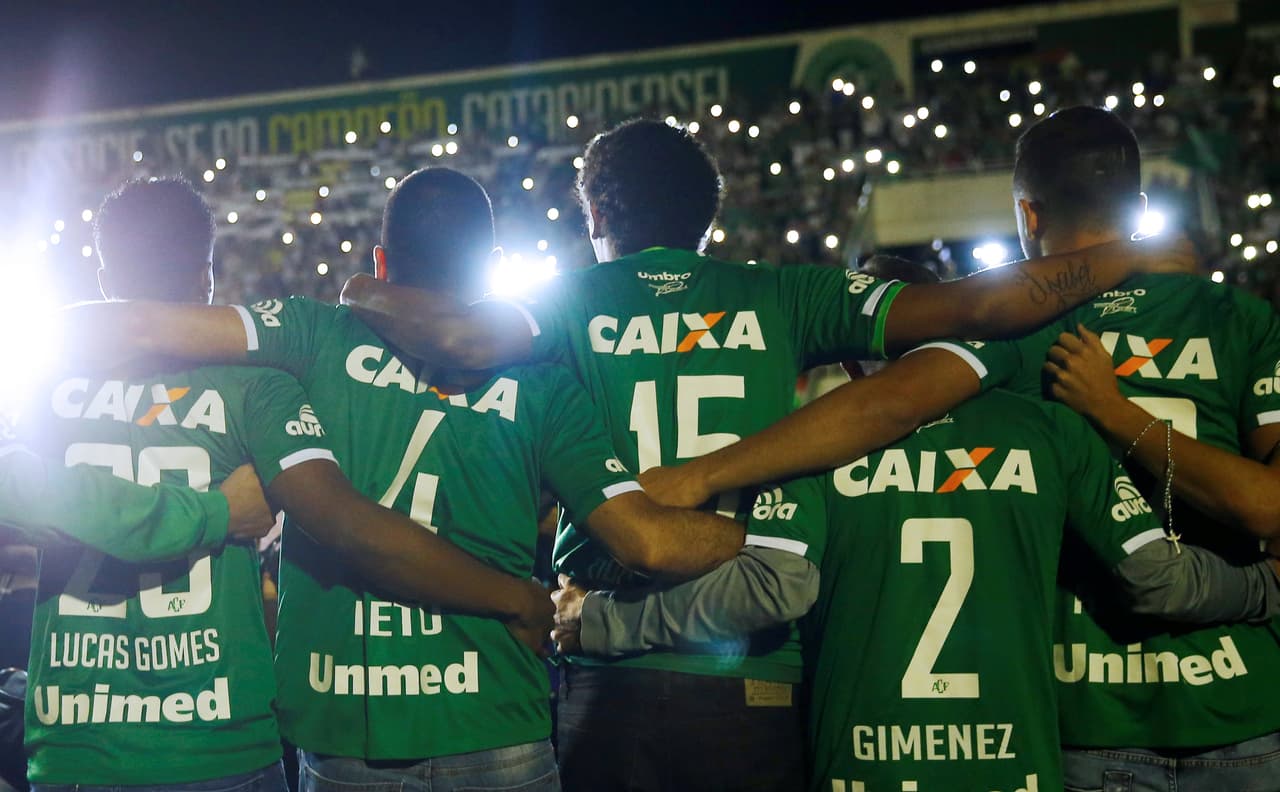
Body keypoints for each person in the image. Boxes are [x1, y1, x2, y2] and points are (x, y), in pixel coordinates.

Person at [336, 118, 1194, 791]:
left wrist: (361, 292)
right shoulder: (786, 294)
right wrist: (1129, 251)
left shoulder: (556, 305)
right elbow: (972, 309)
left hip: (605, 672)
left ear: (595, 214)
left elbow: (453, 334)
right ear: (712, 218)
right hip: (753, 674)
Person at [637, 107, 1280, 791]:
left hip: (1090, 715)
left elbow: (887, 405)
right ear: (1142, 207)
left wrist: (700, 475)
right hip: (1241, 703)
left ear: (1029, 216)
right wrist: (1265, 591)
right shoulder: (1242, 317)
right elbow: (1268, 512)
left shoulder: (1027, 330)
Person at [49, 168, 744, 792]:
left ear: (381, 261)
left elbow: (139, 327)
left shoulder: (311, 333)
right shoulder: (545, 384)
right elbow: (650, 543)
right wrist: (765, 536)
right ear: (493, 269)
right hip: (494, 720)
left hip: (343, 728)